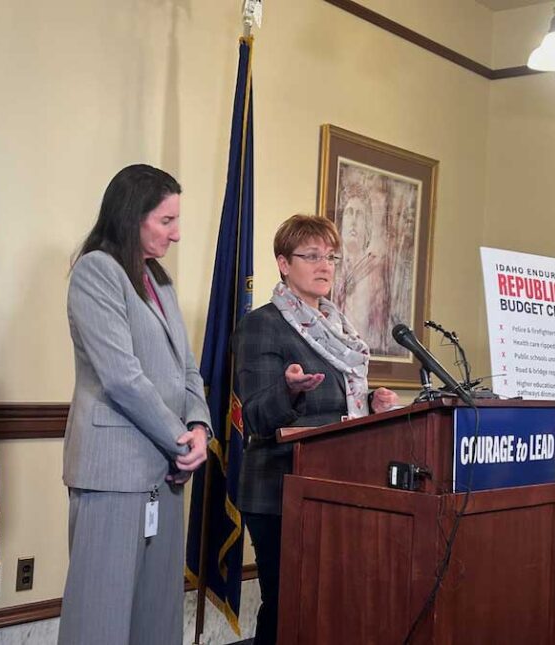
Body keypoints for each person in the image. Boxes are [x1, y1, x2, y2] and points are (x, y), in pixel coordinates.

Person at [58, 164, 211, 645]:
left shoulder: (158, 280)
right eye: (166, 221)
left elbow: (187, 368)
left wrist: (200, 428)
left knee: (157, 618)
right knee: (100, 619)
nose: (177, 233)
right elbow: (122, 377)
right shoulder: (96, 271)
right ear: (132, 215)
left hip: (167, 472)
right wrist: (180, 440)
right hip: (113, 473)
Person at [233, 214, 399, 645]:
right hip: (279, 489)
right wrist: (288, 391)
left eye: (330, 257)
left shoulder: (339, 329)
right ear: (284, 263)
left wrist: (371, 405)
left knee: (332, 601)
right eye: (311, 256)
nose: (325, 266)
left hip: (339, 484)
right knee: (288, 602)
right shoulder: (262, 324)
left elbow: (342, 407)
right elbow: (255, 417)